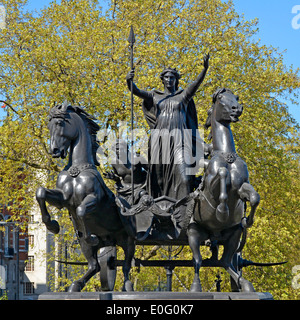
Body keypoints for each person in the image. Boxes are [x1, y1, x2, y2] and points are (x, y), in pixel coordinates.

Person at [126, 54, 210, 200]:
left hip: (180, 142)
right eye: (167, 77)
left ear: (176, 80)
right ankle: (157, 211)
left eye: (172, 78)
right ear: (162, 79)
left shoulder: (183, 96)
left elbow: (196, 84)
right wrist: (129, 80)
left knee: (184, 178)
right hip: (160, 141)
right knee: (157, 180)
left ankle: (184, 210)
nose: (169, 80)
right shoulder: (154, 96)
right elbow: (136, 91)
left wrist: (204, 69)